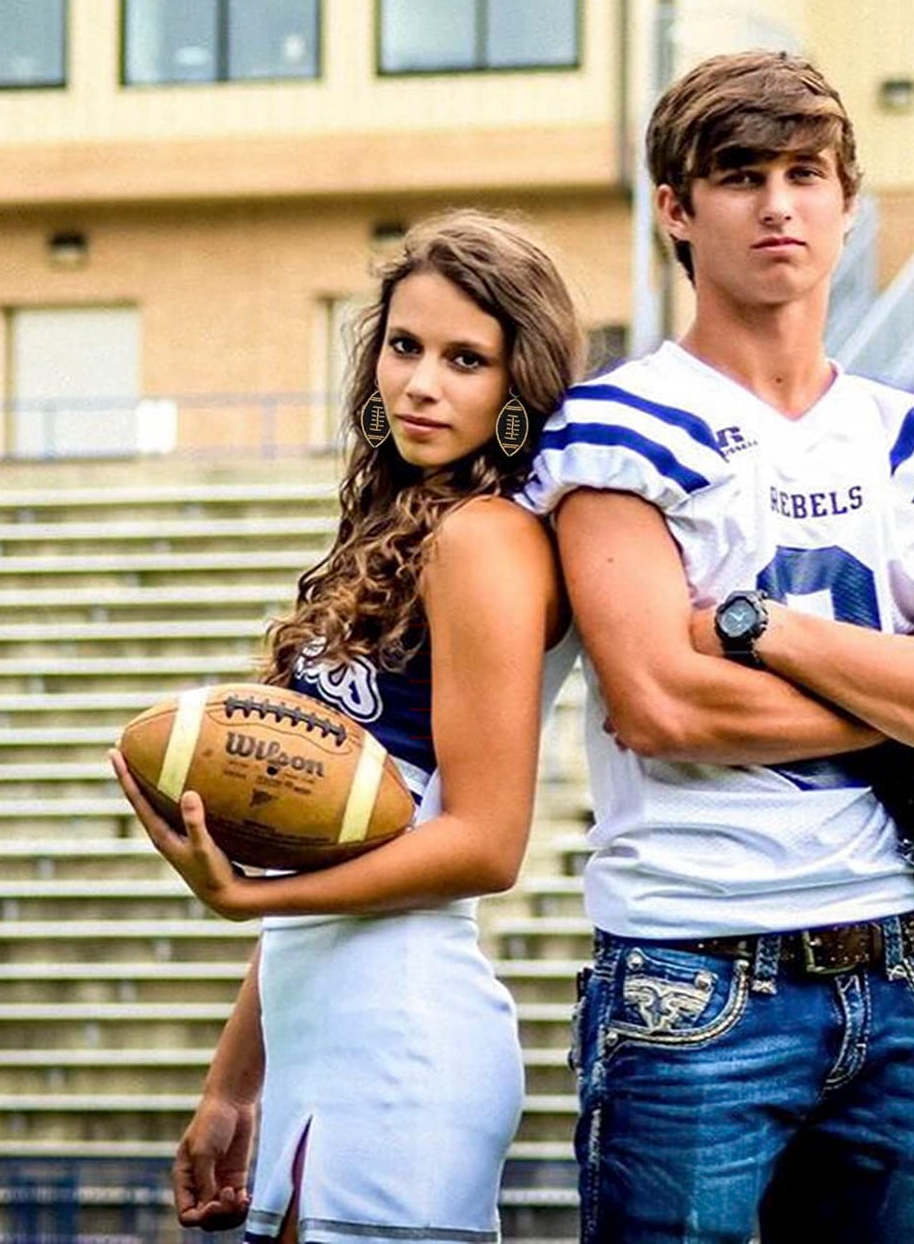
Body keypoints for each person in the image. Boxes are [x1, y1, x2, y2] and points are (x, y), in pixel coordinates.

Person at [521, 51, 914, 1244]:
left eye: (805, 174)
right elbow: (664, 705)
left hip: (903, 976)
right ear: (674, 209)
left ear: (846, 206)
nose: (776, 205)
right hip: (693, 973)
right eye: (738, 175)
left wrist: (769, 633)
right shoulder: (618, 423)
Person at [111, 210, 584, 1244]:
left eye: (467, 359)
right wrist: (235, 1083)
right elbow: (320, 848)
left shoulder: (485, 539)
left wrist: (240, 897)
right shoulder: (392, 527)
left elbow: (485, 843)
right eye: (403, 345)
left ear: (517, 389)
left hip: (403, 1039)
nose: (420, 383)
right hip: (317, 1030)